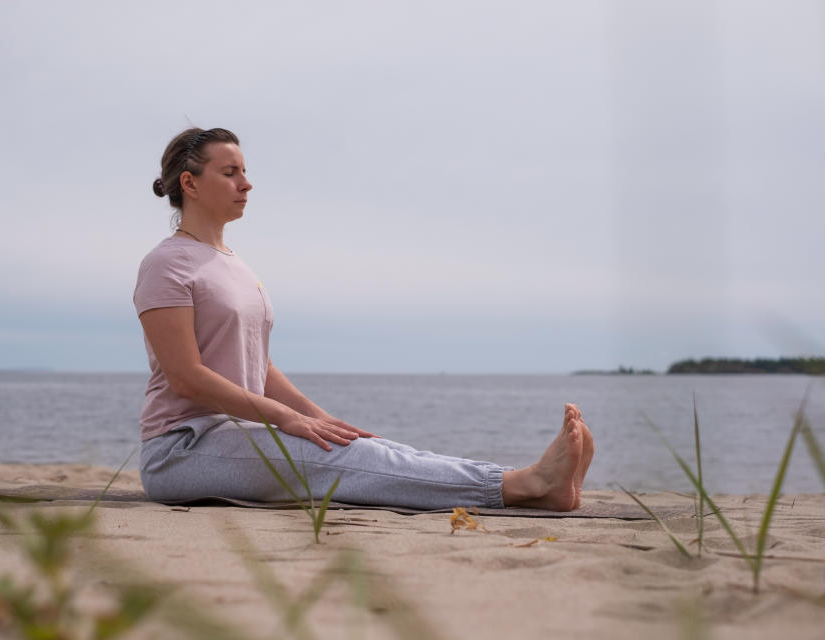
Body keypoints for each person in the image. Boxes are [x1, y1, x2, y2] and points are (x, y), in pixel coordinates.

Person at [134, 127, 595, 511]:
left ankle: (532, 485)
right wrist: (287, 421)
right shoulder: (168, 264)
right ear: (190, 184)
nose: (246, 183)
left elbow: (261, 366)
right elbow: (187, 378)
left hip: (239, 432)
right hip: (182, 449)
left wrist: (320, 418)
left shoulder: (234, 264)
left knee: (363, 448)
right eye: (229, 172)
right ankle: (522, 485)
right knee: (342, 461)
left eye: (246, 172)